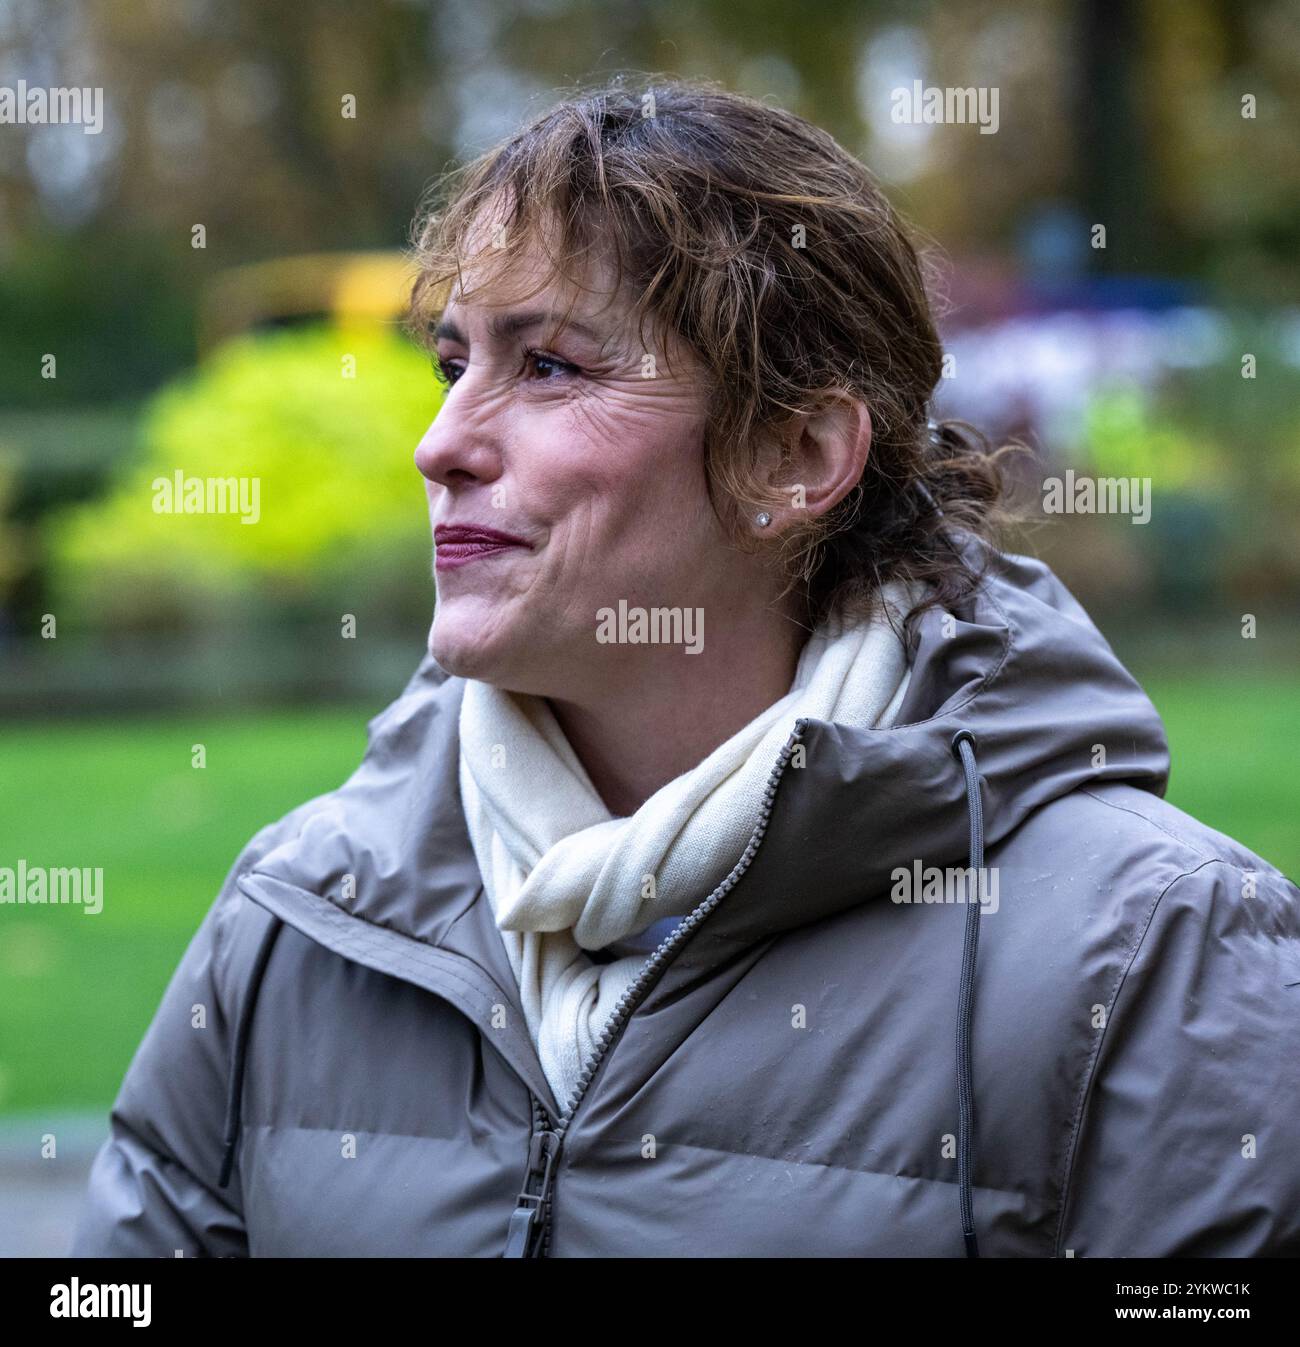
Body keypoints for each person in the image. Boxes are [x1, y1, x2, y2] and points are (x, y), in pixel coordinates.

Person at [71, 77, 1300, 1258]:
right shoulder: (301, 916)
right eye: (455, 365)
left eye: (549, 365)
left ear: (794, 452)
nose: (439, 443)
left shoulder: (1153, 950)